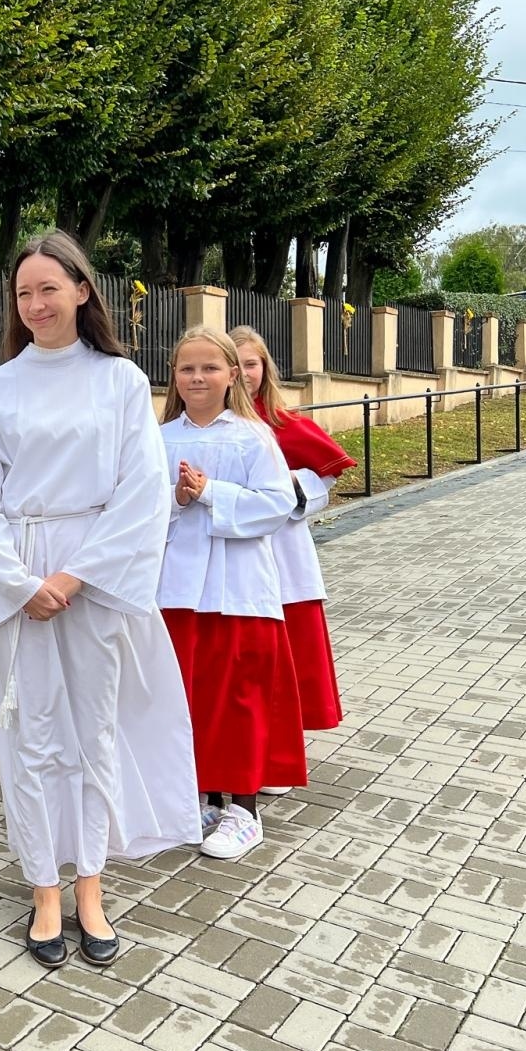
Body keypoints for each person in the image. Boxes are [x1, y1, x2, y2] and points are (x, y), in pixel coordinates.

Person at [0, 232, 198, 970]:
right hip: (17, 580)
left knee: (93, 730)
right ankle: (42, 887)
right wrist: (21, 583)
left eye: (49, 289)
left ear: (82, 291)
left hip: (95, 575)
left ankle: (90, 882)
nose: (36, 305)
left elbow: (141, 490)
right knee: (27, 732)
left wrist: (76, 575)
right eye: (24, 293)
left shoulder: (118, 382)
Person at [159, 325, 303, 861]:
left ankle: (245, 809)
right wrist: (176, 498)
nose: (197, 378)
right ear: (173, 377)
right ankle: (200, 796)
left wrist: (209, 493)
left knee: (237, 695)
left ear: (231, 376)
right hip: (174, 585)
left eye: (209, 368)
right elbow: (141, 508)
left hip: (236, 584)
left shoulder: (250, 436)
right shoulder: (159, 436)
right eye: (186, 368)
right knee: (188, 694)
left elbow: (275, 505)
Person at [231, 325, 354, 793]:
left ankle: (281, 752)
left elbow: (325, 480)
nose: (243, 374)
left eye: (251, 363)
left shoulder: (284, 422)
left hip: (282, 551)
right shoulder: (211, 423)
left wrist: (283, 493)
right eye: (235, 363)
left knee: (287, 652)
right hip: (228, 553)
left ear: (265, 369)